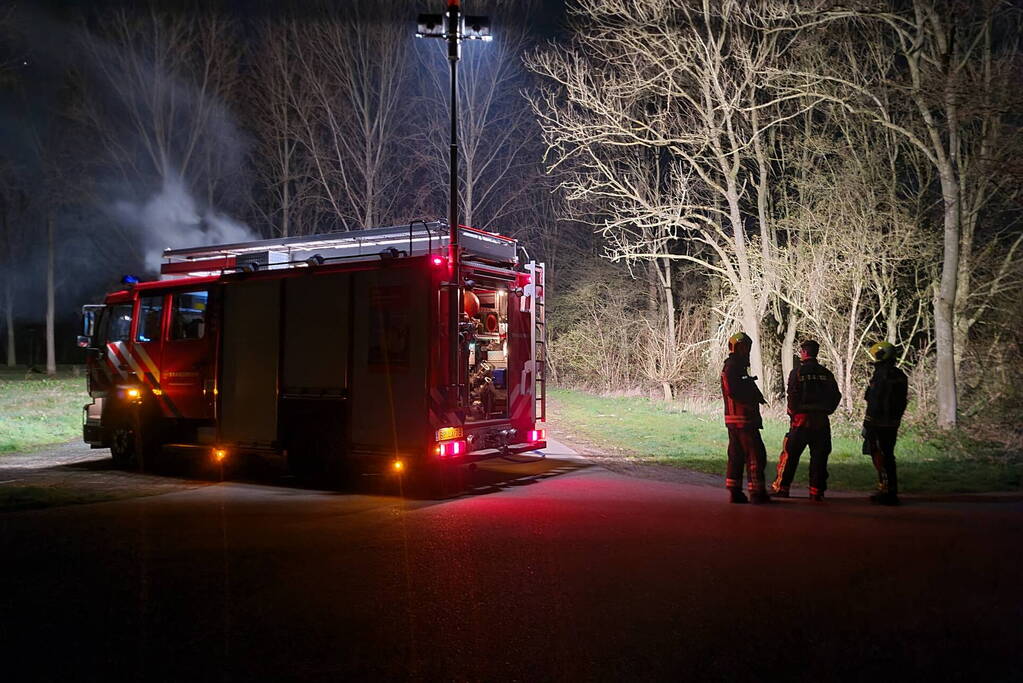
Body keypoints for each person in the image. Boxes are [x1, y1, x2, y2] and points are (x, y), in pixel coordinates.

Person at [770, 340, 842, 501]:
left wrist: (793, 414)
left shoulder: (797, 373)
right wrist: (827, 410)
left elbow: (792, 396)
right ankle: (816, 492)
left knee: (790, 455)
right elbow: (836, 395)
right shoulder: (826, 373)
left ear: (803, 352)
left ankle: (783, 488)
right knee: (819, 458)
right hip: (822, 422)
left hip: (801, 421)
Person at [721, 332, 770, 504]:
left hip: (735, 420)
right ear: (738, 347)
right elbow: (734, 391)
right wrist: (752, 398)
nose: (747, 351)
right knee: (755, 455)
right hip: (743, 419)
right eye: (745, 347)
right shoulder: (733, 367)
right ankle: (757, 493)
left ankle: (735, 491)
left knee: (736, 455)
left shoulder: (735, 366)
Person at [862, 341, 908, 506]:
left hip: (878, 423)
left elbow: (874, 400)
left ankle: (887, 491)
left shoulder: (881, 375)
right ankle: (887, 489)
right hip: (892, 423)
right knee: (888, 455)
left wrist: (868, 423)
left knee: (880, 455)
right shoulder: (900, 375)